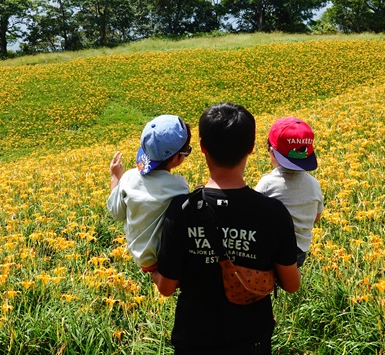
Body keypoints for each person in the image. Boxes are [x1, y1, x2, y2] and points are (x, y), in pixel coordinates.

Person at [151, 102, 300, 355]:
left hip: (194, 341)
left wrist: (147, 265)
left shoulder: (181, 209)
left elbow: (166, 288)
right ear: (252, 148)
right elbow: (292, 284)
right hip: (251, 340)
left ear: (201, 147)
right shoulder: (273, 213)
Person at [107, 114, 192, 272]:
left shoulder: (128, 178)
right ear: (176, 159)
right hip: (164, 258)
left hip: (138, 256)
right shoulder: (179, 185)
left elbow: (116, 213)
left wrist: (115, 177)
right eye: (187, 151)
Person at [255, 116, 324, 267]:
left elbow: (253, 216)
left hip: (272, 251)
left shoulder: (267, 183)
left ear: (272, 151)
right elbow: (316, 217)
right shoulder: (314, 184)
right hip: (299, 253)